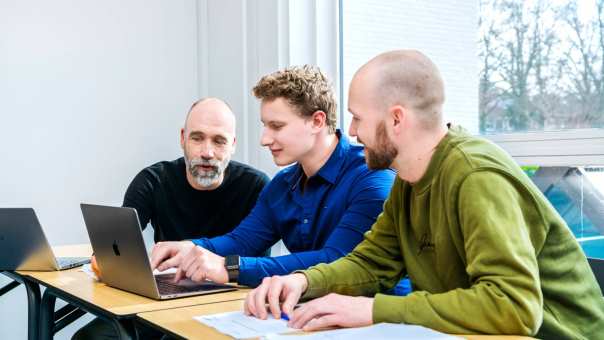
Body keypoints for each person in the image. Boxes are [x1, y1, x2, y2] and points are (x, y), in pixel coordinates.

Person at [243, 50, 604, 339]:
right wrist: (304, 280)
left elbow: (513, 306)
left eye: (357, 118)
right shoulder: (408, 179)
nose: (351, 132)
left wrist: (373, 310)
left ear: (397, 119)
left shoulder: (475, 176)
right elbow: (371, 263)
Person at [150, 65, 396, 288]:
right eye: (265, 126)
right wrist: (190, 248)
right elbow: (242, 241)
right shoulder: (283, 184)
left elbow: (335, 260)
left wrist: (231, 268)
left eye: (277, 126)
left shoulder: (372, 179)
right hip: (312, 312)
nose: (264, 139)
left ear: (317, 121)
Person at [74, 97, 269, 339]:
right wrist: (105, 260)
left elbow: (257, 266)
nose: (207, 152)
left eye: (219, 141)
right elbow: (118, 249)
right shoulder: (152, 180)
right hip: (161, 300)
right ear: (182, 138)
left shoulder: (256, 186)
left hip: (228, 304)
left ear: (233, 145)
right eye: (197, 138)